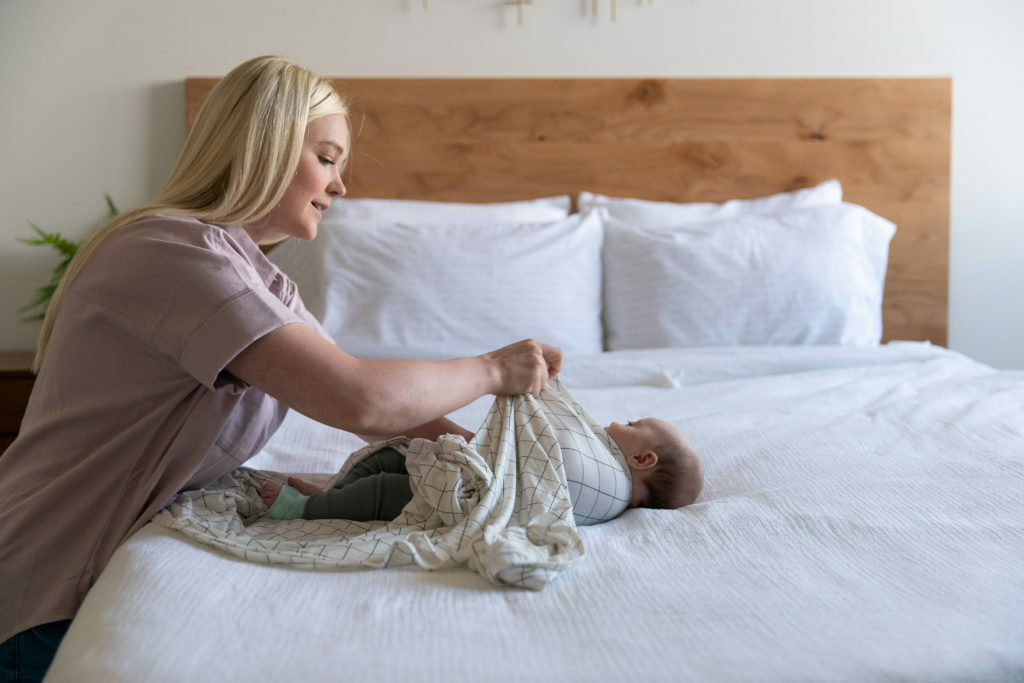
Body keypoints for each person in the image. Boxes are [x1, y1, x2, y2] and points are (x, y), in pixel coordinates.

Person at [0, 55, 561, 681]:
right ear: (262, 145)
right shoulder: (171, 252)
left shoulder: (256, 280)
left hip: (69, 571)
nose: (341, 185)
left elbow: (389, 413)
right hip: (44, 586)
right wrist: (490, 368)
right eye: (327, 157)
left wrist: (513, 469)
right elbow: (361, 400)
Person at [261, 413, 704, 525]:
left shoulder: (606, 489)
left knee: (383, 490)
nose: (613, 425)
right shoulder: (607, 478)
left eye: (631, 425)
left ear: (643, 460)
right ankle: (329, 497)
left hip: (464, 499)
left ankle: (303, 512)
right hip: (470, 475)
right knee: (389, 457)